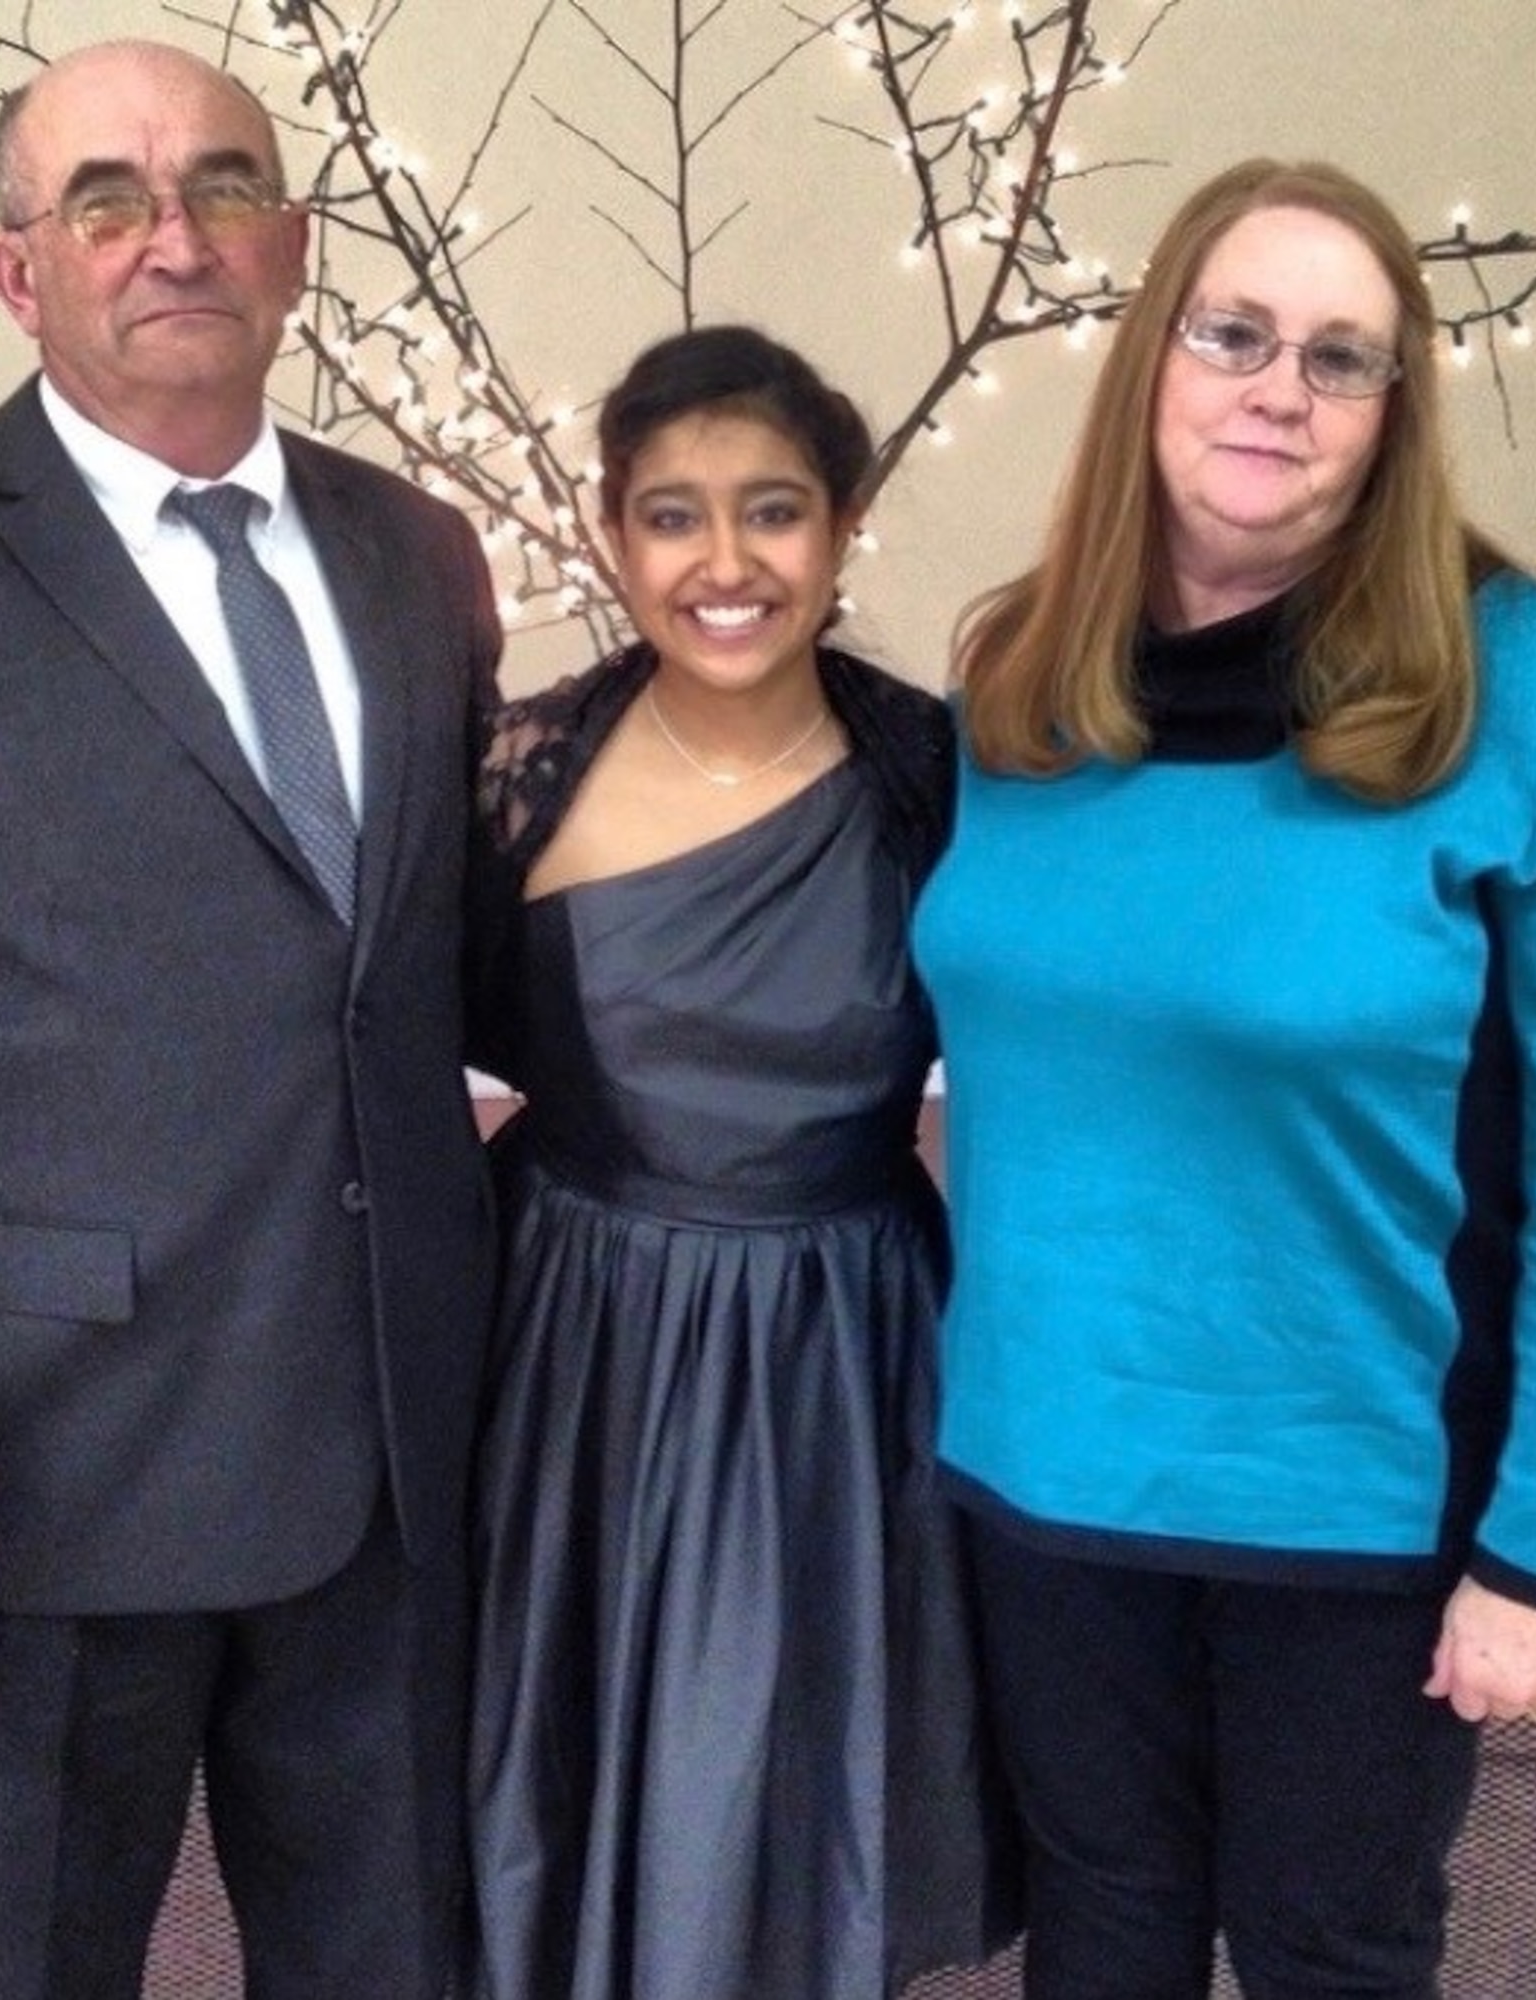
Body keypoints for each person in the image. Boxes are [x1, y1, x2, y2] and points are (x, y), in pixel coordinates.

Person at [0, 40, 500, 2000]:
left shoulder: (421, 555)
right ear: (18, 271)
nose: (174, 237)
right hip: (32, 1492)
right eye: (107, 197)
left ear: (293, 246)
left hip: (393, 1466)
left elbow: (434, 960)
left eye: (224, 185)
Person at [912, 157, 1536, 1998]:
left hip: (1358, 1494)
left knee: (1325, 1952)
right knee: (1096, 1935)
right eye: (1236, 333)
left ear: (1389, 414)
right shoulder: (1020, 675)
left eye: (1340, 359)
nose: (1278, 386)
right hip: (1047, 1469)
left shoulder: (1518, 684)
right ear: (1155, 365)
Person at [466, 324, 1018, 2000]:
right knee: (568, 1794)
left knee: (797, 1796)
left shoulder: (943, 773)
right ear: (610, 533)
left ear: (842, 527)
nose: (723, 564)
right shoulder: (512, 769)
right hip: (578, 1348)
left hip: (843, 1352)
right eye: (672, 516)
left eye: (771, 513)